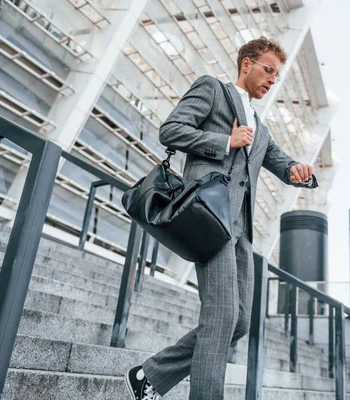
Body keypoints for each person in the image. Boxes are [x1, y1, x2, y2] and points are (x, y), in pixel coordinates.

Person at [125, 36, 318, 400]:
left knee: (239, 321)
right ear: (247, 63)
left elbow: (281, 162)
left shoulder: (260, 127)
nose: (272, 79)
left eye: (277, 75)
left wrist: (298, 171)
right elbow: (171, 130)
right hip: (208, 217)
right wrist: (222, 142)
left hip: (240, 232)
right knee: (221, 315)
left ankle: (148, 376)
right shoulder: (212, 89)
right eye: (268, 70)